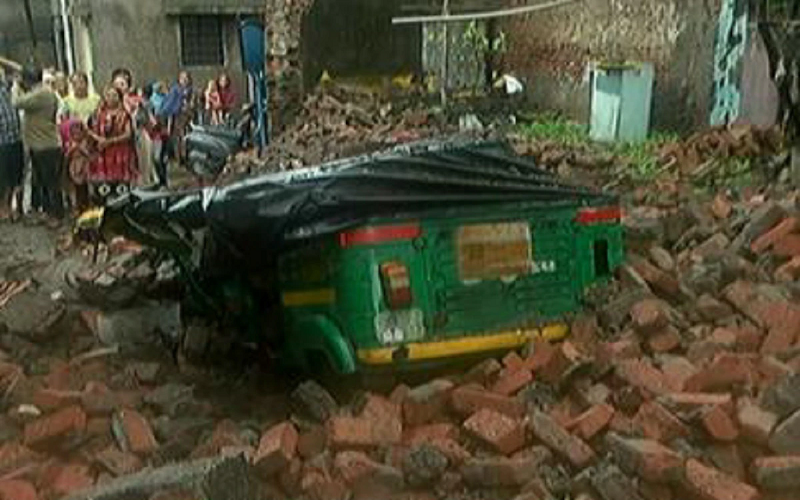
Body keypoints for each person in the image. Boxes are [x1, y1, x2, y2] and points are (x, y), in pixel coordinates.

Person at [12, 66, 64, 222]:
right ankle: (48, 212)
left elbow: (16, 102)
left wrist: (15, 86)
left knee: (51, 183)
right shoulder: (42, 93)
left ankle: (56, 214)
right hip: (39, 144)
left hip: (46, 145)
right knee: (42, 181)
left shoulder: (42, 94)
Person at [88, 87, 138, 203]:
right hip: (103, 153)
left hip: (120, 153)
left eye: (114, 95)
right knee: (104, 187)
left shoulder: (124, 115)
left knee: (121, 186)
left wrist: (109, 142)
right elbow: (90, 130)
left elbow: (128, 134)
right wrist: (99, 140)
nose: (111, 98)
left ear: (119, 97)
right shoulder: (98, 114)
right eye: (108, 95)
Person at [160, 71, 196, 166]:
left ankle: (186, 156)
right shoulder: (175, 89)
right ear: (179, 79)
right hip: (177, 116)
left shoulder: (190, 90)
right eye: (182, 78)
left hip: (187, 116)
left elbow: (192, 103)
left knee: (186, 136)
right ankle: (179, 157)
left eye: (186, 78)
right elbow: (170, 104)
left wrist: (190, 107)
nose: (184, 80)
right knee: (178, 137)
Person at [0, 76, 24, 220]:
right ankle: (4, 208)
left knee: (16, 177)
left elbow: (19, 72)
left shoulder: (6, 88)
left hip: (16, 140)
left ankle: (15, 208)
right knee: (3, 179)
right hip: (1, 143)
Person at [65, 120, 95, 211]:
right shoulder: (70, 143)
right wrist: (72, 150)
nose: (76, 136)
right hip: (74, 169)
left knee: (85, 189)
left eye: (79, 133)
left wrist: (82, 150)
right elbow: (67, 156)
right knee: (76, 189)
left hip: (84, 168)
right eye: (74, 134)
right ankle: (78, 207)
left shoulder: (86, 142)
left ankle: (87, 206)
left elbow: (91, 155)